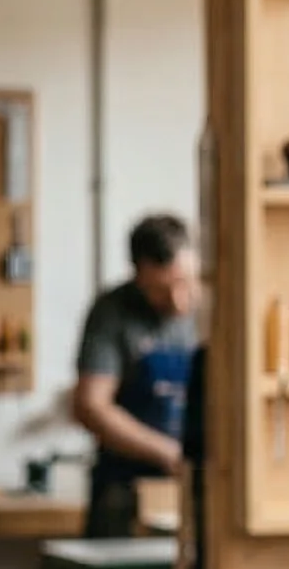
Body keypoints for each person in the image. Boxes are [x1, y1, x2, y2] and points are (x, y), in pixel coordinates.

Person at [70, 212, 198, 541]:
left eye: (184, 283)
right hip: (125, 492)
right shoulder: (113, 313)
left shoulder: (211, 309)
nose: (178, 302)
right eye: (162, 289)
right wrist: (168, 453)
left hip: (193, 490)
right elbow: (90, 406)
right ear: (139, 274)